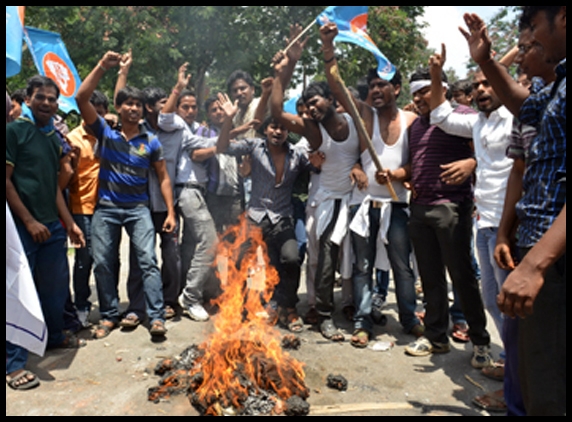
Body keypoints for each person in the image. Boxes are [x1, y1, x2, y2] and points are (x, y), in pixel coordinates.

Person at [461, 7, 566, 416]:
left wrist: (536, 265)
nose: (529, 45)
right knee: (535, 378)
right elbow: (528, 107)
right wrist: (485, 59)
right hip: (538, 251)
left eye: (535, 30)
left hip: (553, 261)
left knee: (550, 390)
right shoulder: (557, 87)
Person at [319, 22, 423, 347]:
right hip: (363, 206)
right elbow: (336, 87)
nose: (376, 90)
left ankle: (408, 318)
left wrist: (396, 175)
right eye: (373, 86)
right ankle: (363, 323)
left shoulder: (411, 121)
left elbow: (417, 164)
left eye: (384, 85)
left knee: (402, 268)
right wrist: (327, 46)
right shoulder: (364, 116)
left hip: (398, 205)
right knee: (361, 267)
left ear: (397, 87)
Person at [271, 24, 363, 344]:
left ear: (332, 101)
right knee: (324, 259)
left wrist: (327, 46)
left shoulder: (355, 119)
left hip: (355, 202)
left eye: (316, 102)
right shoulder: (313, 132)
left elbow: (367, 151)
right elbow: (276, 111)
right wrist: (290, 64)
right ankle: (323, 314)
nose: (310, 108)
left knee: (355, 262)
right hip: (325, 203)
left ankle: (357, 309)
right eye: (307, 105)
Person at [75, 52, 176, 340]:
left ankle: (156, 317)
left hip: (138, 209)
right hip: (105, 208)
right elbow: (81, 98)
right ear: (118, 108)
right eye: (128, 103)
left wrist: (170, 212)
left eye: (137, 105)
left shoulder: (151, 142)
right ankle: (108, 315)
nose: (133, 108)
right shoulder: (106, 133)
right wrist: (101, 67)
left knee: (147, 260)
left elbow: (163, 178)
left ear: (143, 110)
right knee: (104, 261)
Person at [403, 67, 493, 370]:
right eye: (414, 93)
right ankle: (436, 336)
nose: (418, 98)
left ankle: (481, 342)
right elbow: (412, 164)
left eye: (425, 90)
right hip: (419, 208)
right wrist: (403, 176)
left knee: (463, 277)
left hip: (452, 208)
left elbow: (491, 149)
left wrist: (471, 162)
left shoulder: (464, 115)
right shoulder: (415, 126)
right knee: (430, 278)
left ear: (441, 88)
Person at [429, 44, 514, 362]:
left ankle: (519, 374)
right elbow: (439, 116)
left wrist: (472, 164)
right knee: (492, 301)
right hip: (486, 223)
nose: (480, 90)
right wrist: (437, 76)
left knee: (511, 304)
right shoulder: (478, 122)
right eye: (476, 85)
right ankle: (511, 362)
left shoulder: (515, 118)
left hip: (511, 226)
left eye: (488, 83)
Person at [6, 76, 87, 385]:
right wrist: (28, 221)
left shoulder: (52, 137)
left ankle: (52, 336)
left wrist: (69, 224)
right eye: (41, 97)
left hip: (51, 226)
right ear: (28, 100)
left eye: (53, 99)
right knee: (18, 294)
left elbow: (54, 188)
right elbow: (6, 181)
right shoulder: (14, 132)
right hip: (20, 229)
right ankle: (14, 365)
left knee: (54, 290)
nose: (47, 104)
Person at [218, 83, 314, 333]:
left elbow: (316, 167)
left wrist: (319, 163)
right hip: (255, 218)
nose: (278, 131)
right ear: (266, 129)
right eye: (273, 126)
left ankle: (288, 308)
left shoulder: (296, 155)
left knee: (292, 258)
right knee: (240, 260)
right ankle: (239, 307)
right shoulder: (253, 147)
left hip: (282, 219)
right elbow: (222, 148)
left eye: (283, 127)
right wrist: (228, 120)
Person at [115, 51, 183, 325]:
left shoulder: (178, 130)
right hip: (141, 205)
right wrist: (123, 72)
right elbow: (121, 103)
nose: (168, 107)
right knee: (140, 258)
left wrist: (171, 211)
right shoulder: (137, 128)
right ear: (150, 107)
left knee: (171, 257)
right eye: (162, 103)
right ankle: (137, 306)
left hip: (167, 206)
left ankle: (169, 302)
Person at [158, 63, 218, 323]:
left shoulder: (191, 130)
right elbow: (164, 117)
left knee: (189, 249)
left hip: (196, 191)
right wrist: (178, 87)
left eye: (194, 107)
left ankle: (181, 297)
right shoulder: (175, 125)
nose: (191, 111)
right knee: (210, 241)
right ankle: (190, 296)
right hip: (186, 191)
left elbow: (214, 143)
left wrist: (234, 128)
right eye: (186, 106)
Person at [66, 90, 109, 328]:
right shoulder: (73, 139)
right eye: (93, 113)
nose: (97, 118)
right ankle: (81, 305)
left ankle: (107, 307)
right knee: (85, 258)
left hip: (107, 207)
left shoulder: (109, 135)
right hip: (82, 207)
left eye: (100, 114)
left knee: (108, 258)